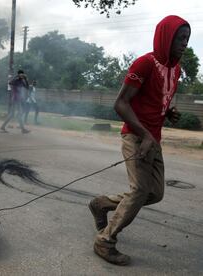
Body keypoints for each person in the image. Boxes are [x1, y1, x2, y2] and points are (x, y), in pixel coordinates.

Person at [89, 15, 190, 266]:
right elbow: (120, 103)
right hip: (135, 136)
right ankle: (105, 241)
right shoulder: (144, 63)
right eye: (180, 38)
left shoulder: (175, 68)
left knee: (155, 193)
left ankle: (101, 204)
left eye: (187, 39)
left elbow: (155, 99)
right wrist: (144, 134)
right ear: (166, 37)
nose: (184, 43)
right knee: (140, 190)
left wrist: (167, 112)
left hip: (152, 139)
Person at [0, 70, 30, 134]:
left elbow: (27, 87)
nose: (22, 75)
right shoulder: (16, 80)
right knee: (16, 114)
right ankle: (22, 129)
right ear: (19, 74)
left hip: (18, 99)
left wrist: (26, 79)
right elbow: (10, 82)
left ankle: (3, 126)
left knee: (14, 114)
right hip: (15, 99)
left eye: (23, 74)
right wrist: (16, 76)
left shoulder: (22, 81)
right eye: (21, 74)